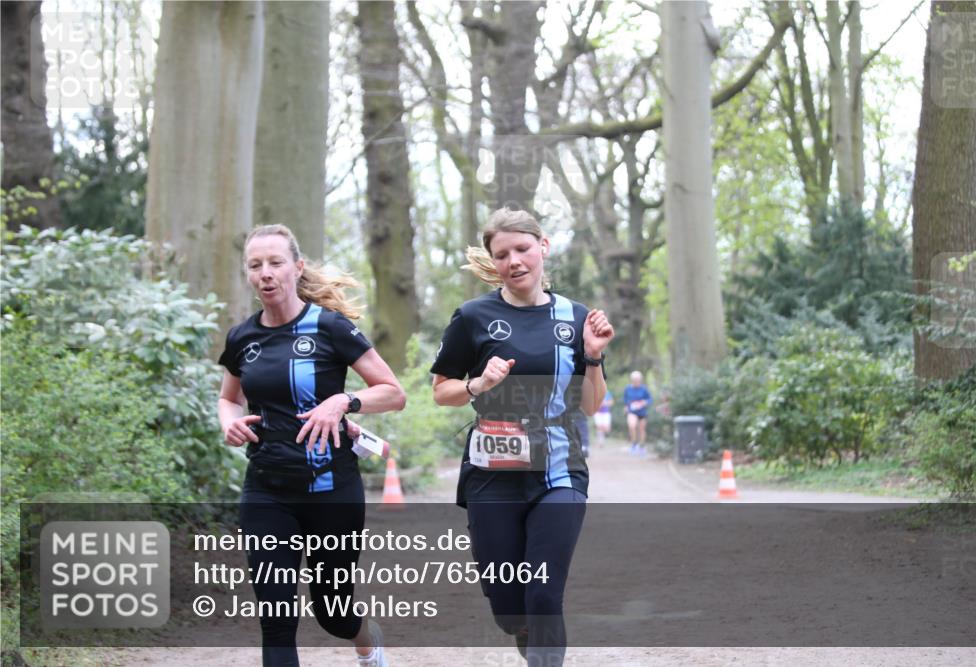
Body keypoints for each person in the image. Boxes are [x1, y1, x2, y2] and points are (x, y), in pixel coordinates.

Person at [430, 208, 614, 666]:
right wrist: (478, 384)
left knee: (545, 594)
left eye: (522, 249)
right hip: (493, 473)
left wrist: (592, 358)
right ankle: (524, 631)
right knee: (511, 608)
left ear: (543, 247)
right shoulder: (473, 317)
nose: (513, 261)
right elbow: (441, 392)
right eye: (502, 254)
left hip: (559, 467)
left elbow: (591, 405)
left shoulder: (574, 317)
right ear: (493, 263)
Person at [217, 224, 405, 667]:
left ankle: (363, 637)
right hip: (266, 490)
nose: (266, 273)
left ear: (297, 268)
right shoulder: (242, 337)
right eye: (255, 265)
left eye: (276, 262)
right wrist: (229, 422)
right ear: (248, 274)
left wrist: (344, 401)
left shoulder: (331, 328)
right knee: (275, 618)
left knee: (332, 612)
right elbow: (229, 397)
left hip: (331, 490)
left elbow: (393, 392)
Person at [623, 371, 652, 456]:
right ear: (632, 380)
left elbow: (649, 399)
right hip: (632, 411)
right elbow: (625, 399)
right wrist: (626, 407)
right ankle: (634, 444)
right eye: (635, 380)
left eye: (638, 380)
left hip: (642, 412)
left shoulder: (644, 388)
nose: (636, 381)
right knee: (632, 426)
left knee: (641, 429)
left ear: (640, 380)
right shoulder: (628, 388)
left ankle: (641, 446)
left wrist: (644, 402)